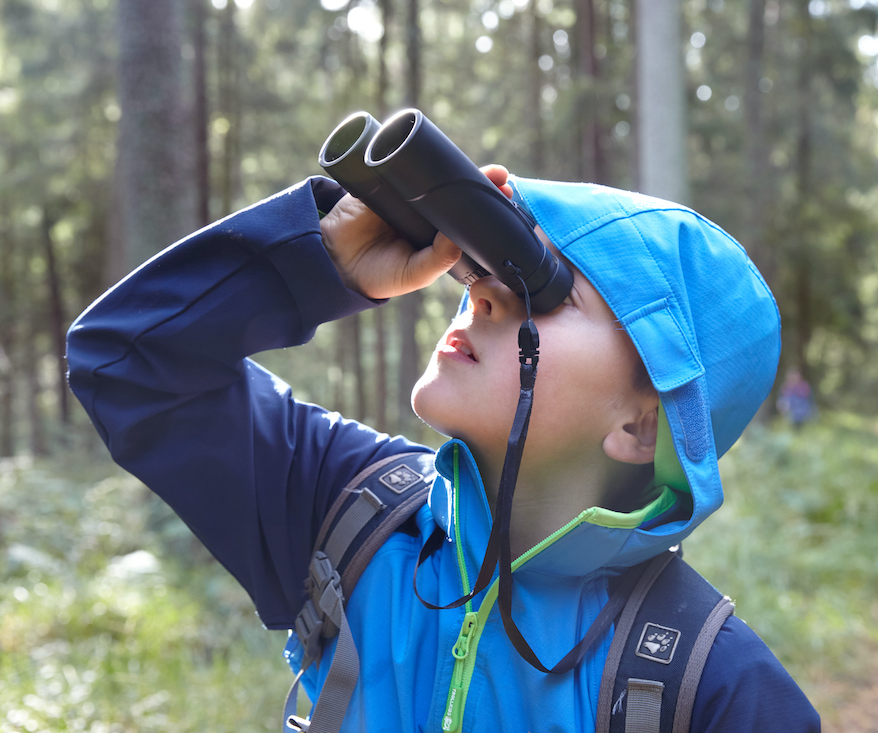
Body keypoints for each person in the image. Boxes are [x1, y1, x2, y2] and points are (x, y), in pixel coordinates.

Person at [66, 165, 819, 732]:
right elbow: (123, 361)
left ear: (641, 426)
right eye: (490, 268)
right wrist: (319, 258)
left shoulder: (710, 686)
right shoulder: (352, 514)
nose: (483, 294)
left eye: (548, 289)